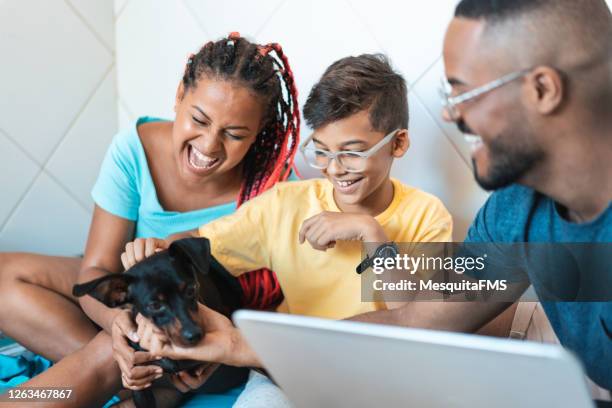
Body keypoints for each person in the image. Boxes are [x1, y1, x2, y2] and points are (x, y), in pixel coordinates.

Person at [132, 0, 612, 398]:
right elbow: (416, 322)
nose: (449, 114)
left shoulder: (436, 214)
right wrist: (237, 344)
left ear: (543, 89)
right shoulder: (513, 215)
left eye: (464, 93)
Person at [121, 53, 454, 406]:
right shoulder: (286, 204)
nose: (335, 169)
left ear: (398, 143)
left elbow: (418, 318)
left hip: (378, 381)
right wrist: (157, 250)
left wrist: (371, 233)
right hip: (284, 374)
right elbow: (194, 244)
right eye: (322, 152)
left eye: (352, 153)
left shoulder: (427, 215)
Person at [0, 33, 300, 407]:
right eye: (199, 120)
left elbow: (284, 309)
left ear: (258, 133)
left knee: (116, 351)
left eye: (235, 134)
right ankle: (132, 376)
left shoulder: (283, 195)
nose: (208, 146)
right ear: (179, 96)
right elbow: (96, 267)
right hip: (135, 299)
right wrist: (117, 328)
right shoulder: (134, 149)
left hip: (200, 317)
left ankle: (122, 371)